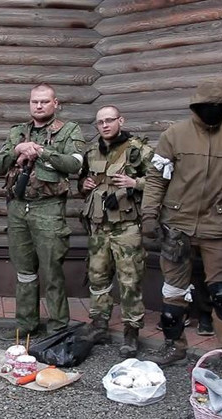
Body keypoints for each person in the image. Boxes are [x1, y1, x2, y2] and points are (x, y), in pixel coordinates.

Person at [141, 81, 222, 366]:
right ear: (196, 108)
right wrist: (148, 215)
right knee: (173, 291)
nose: (213, 113)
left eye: (221, 109)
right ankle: (174, 346)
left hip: (219, 227)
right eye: (208, 108)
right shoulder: (174, 135)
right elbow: (157, 178)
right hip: (177, 225)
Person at [0, 83, 85, 339]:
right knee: (24, 271)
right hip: (18, 207)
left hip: (49, 208)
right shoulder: (17, 132)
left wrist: (42, 152)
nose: (39, 105)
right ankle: (26, 325)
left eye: (45, 101)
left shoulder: (69, 131)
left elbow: (74, 164)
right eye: (35, 101)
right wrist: (18, 151)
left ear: (56, 104)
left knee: (52, 270)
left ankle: (58, 327)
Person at [77, 105, 153, 358]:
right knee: (97, 277)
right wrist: (84, 184)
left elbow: (161, 179)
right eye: (100, 122)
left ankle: (132, 331)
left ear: (121, 120)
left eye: (110, 120)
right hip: (99, 225)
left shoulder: (138, 150)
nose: (105, 125)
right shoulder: (91, 151)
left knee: (130, 280)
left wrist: (135, 183)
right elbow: (83, 181)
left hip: (127, 226)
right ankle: (99, 324)